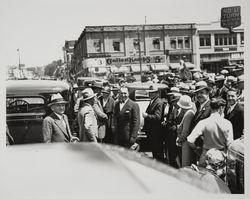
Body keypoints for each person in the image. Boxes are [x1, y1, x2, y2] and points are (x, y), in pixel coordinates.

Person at [187, 98, 233, 167]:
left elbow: (190, 140)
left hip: (206, 156)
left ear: (211, 108)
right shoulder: (227, 123)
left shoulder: (203, 122)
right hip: (221, 157)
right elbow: (230, 144)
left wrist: (196, 149)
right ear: (221, 108)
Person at [142, 85, 164, 162]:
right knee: (155, 150)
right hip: (152, 130)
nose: (150, 94)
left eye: (153, 93)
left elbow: (158, 117)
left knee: (158, 150)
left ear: (157, 93)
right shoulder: (153, 101)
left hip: (156, 131)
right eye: (150, 93)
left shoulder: (158, 102)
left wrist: (147, 116)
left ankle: (160, 165)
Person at [162, 90, 182, 168]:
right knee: (171, 152)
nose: (174, 103)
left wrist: (175, 126)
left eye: (176, 101)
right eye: (173, 101)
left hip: (177, 134)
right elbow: (170, 119)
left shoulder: (183, 111)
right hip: (170, 133)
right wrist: (167, 122)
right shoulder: (173, 108)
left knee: (176, 153)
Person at [176, 95, 196, 167]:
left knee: (186, 163)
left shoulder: (189, 114)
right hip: (185, 141)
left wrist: (179, 140)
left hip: (186, 143)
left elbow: (185, 132)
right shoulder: (189, 112)